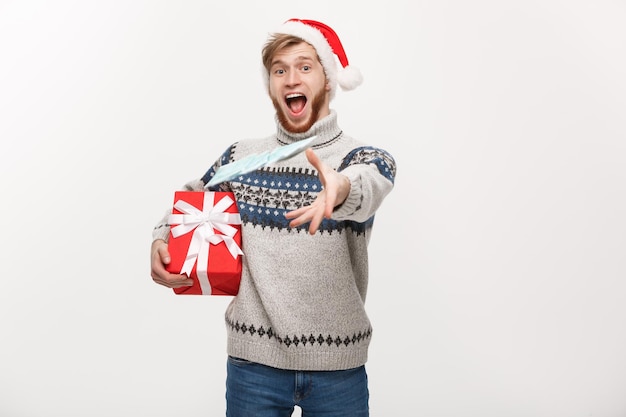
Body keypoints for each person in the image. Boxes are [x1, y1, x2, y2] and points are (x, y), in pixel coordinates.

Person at [150, 18, 397, 417]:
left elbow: (371, 182)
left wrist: (339, 189)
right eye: (279, 70)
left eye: (304, 66)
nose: (290, 78)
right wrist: (162, 237)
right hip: (254, 368)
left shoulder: (359, 158)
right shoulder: (242, 158)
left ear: (329, 79)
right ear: (270, 85)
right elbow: (194, 195)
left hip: (338, 369)